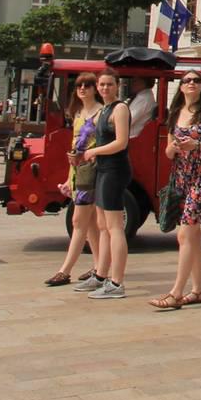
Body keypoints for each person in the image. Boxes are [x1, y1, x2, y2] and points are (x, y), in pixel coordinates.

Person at [152, 72, 201, 310]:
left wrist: (197, 145)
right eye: (187, 80)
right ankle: (198, 290)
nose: (192, 83)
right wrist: (174, 148)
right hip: (181, 176)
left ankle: (176, 293)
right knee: (193, 236)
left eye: (196, 80)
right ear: (181, 87)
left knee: (185, 234)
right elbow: (167, 151)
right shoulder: (175, 113)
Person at [46, 75, 102, 288]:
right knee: (90, 223)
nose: (82, 89)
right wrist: (69, 178)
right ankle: (99, 266)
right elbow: (74, 146)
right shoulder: (78, 112)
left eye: (87, 85)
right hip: (79, 170)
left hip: (91, 172)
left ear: (95, 89)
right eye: (79, 85)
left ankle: (65, 270)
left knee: (79, 221)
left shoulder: (100, 112)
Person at [80, 70, 132, 299]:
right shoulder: (104, 110)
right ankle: (101, 275)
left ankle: (117, 282)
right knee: (102, 225)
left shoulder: (120, 109)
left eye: (109, 84)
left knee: (115, 227)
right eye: (101, 84)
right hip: (103, 169)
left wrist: (94, 151)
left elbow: (121, 142)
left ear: (117, 85)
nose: (104, 88)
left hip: (114, 170)